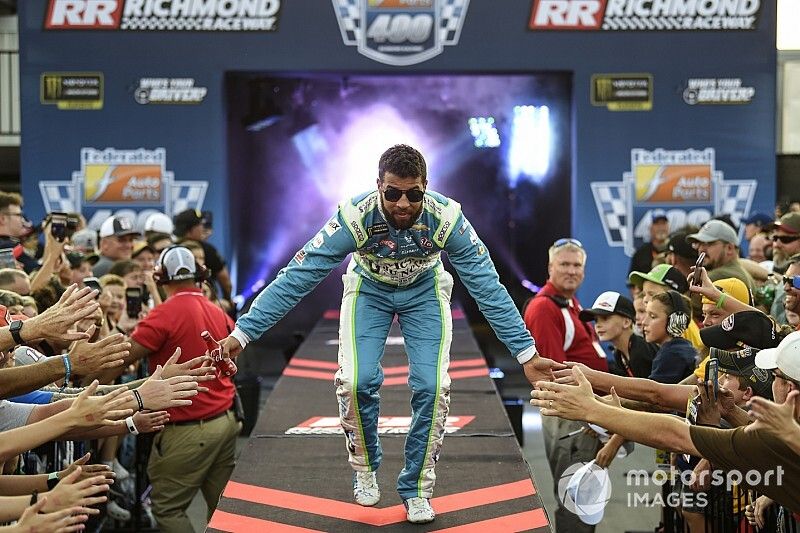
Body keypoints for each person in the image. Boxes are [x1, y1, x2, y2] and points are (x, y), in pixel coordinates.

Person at [218, 144, 562, 524]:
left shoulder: (447, 218)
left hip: (425, 293)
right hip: (368, 290)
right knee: (354, 381)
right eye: (392, 193)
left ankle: (416, 488)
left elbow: (487, 286)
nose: (403, 204)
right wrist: (244, 332)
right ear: (378, 186)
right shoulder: (354, 217)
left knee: (433, 388)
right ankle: (364, 467)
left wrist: (526, 353)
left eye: (414, 194)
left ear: (426, 188)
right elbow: (299, 275)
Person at [121, 246, 240, 533]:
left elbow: (122, 358)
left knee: (167, 509)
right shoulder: (217, 311)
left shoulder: (163, 314)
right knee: (223, 510)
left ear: (161, 277)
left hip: (186, 428)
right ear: (199, 275)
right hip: (224, 422)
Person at [523, 238, 606, 532]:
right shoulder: (545, 308)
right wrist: (591, 418)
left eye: (577, 265)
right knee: (578, 499)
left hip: (586, 417)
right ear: (550, 268)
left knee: (587, 499)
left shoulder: (570, 303)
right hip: (573, 421)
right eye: (565, 264)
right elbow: (554, 376)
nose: (571, 271)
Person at [687, 219, 755, 293]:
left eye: (709, 243)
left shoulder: (720, 276)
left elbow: (686, 303)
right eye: (699, 243)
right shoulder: (738, 270)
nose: (701, 249)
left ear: (729, 248)